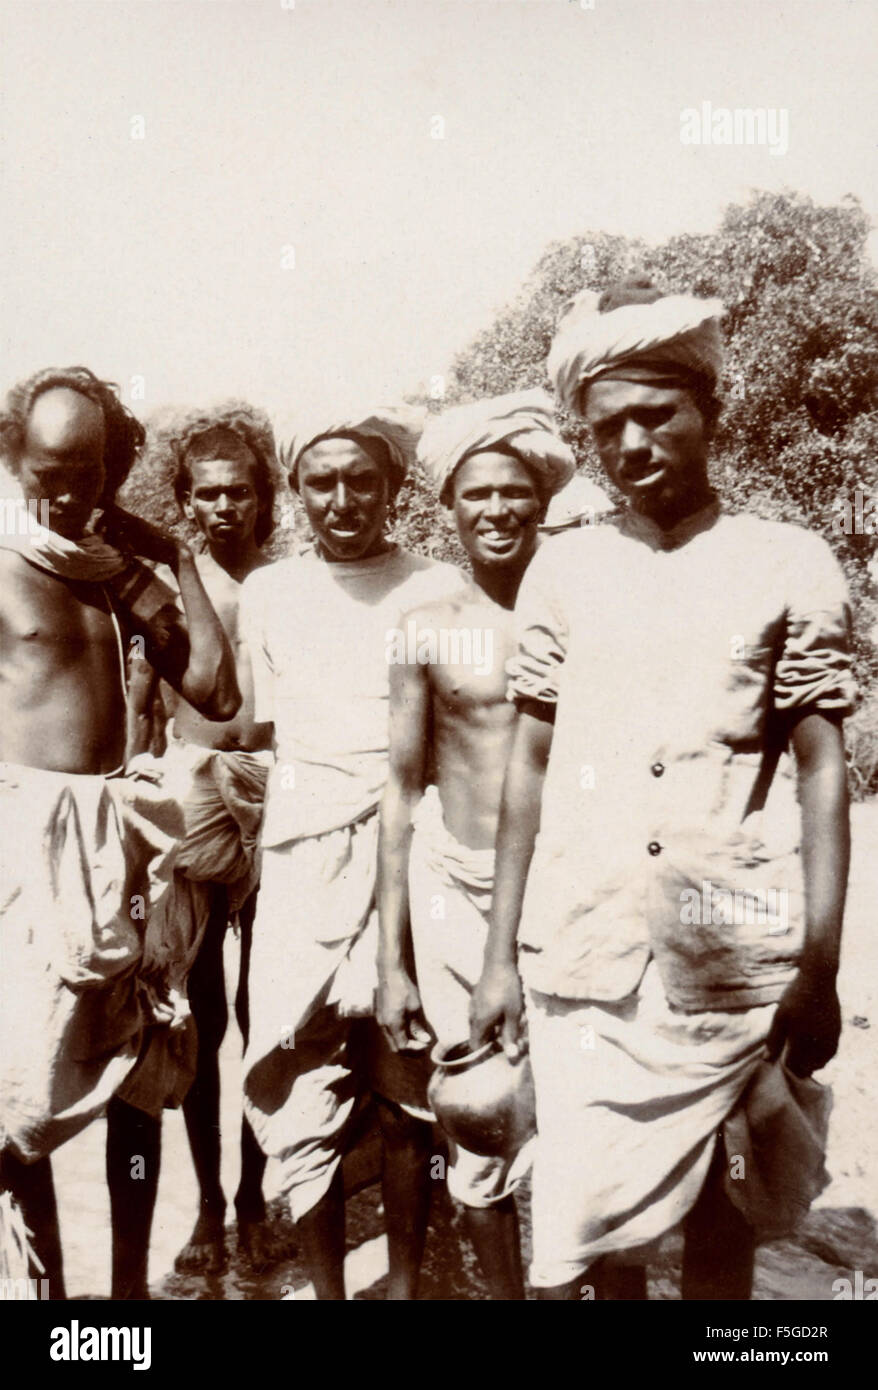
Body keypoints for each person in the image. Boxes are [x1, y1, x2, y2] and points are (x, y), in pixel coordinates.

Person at [471, 280, 855, 1300]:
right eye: (607, 428)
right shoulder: (563, 572)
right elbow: (527, 763)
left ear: (709, 414)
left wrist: (817, 963)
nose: (633, 443)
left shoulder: (786, 562)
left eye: (657, 415)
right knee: (601, 1233)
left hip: (729, 949)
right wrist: (497, 956)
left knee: (720, 1225)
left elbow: (822, 769)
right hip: (583, 947)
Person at [0, 367, 240, 1299]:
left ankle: (131, 1297)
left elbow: (215, 693)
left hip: (125, 844)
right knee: (23, 1082)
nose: (66, 494)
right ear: (14, 456)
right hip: (25, 846)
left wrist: (174, 558)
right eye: (48, 471)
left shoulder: (118, 579)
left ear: (112, 472)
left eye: (88, 475)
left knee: (140, 1069)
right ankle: (53, 1295)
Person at [240, 407, 467, 1299]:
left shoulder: (439, 586)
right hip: (301, 854)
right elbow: (263, 729)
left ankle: (406, 1289)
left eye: (361, 480)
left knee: (410, 1073)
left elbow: (457, 730)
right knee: (303, 1074)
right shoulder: (270, 592)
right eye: (321, 481)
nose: (342, 499)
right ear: (295, 492)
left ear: (393, 487)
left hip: (415, 843)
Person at [378, 390, 575, 1299]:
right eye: (476, 495)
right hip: (456, 886)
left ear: (542, 497)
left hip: (569, 884)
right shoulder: (425, 626)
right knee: (477, 1117)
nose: (496, 510)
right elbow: (400, 790)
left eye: (513, 491)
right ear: (449, 507)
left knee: (582, 1111)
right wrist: (393, 961)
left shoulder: (581, 610)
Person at [127, 405, 284, 1273]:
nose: (225, 508)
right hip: (190, 797)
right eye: (208, 495)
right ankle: (209, 1206)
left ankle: (259, 1199)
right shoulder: (170, 596)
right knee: (196, 1015)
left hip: (277, 794)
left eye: (240, 492)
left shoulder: (290, 585)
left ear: (263, 498)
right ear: (185, 503)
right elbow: (146, 714)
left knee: (267, 1013)